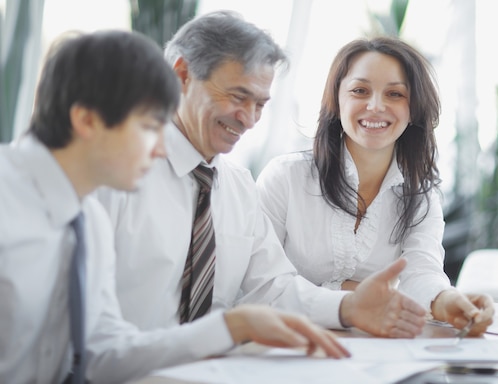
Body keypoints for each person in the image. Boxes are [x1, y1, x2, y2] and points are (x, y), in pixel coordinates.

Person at [0, 30, 349, 384]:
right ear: (87, 120)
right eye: (151, 127)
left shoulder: (85, 218)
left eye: (260, 104)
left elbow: (103, 352)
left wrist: (230, 327)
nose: (162, 149)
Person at [96, 11, 426, 340]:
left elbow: (272, 286)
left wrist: (348, 308)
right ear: (182, 75)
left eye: (260, 105)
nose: (249, 119)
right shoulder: (114, 177)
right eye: (238, 97)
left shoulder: (237, 187)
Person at [256, 37, 494, 335]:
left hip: (375, 349)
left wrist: (446, 301)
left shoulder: (421, 194)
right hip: (288, 344)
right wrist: (350, 297)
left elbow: (421, 271)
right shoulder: (284, 178)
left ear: (414, 109)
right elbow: (261, 286)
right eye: (360, 91)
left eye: (395, 94)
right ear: (336, 99)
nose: (376, 106)